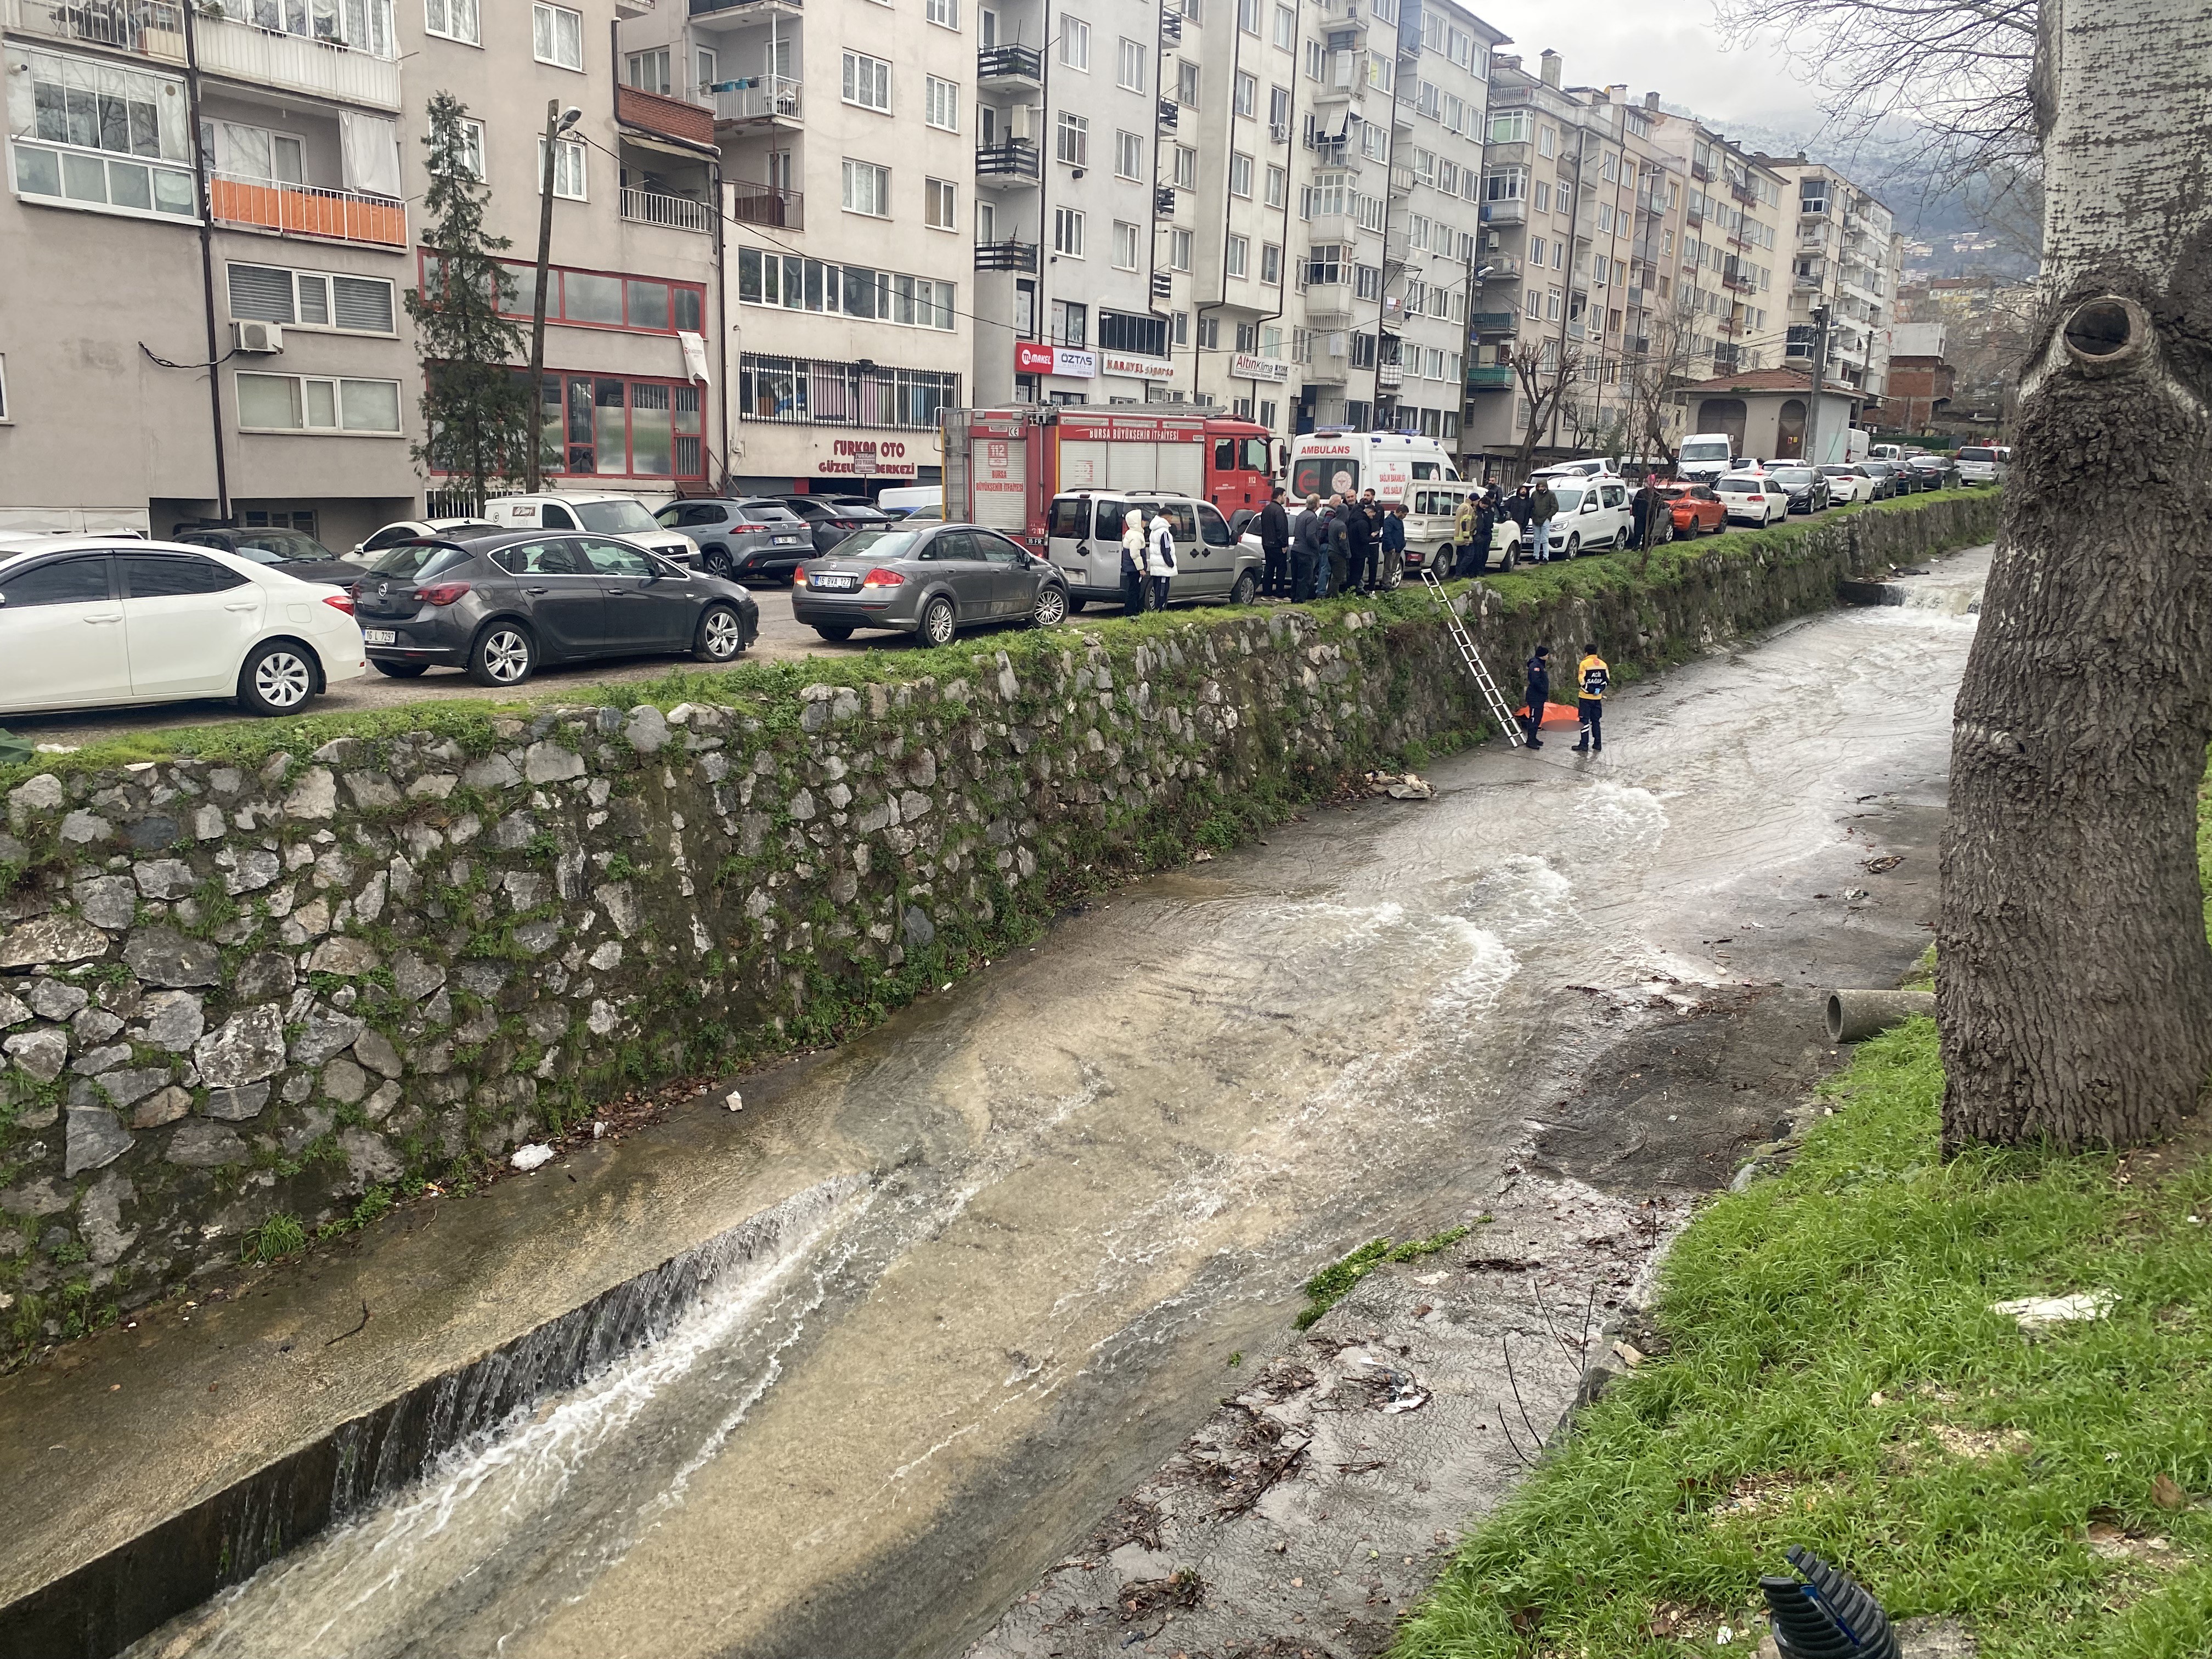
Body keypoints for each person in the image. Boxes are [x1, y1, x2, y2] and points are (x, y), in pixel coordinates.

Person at [1572, 640, 1610, 753]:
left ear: (1586, 653)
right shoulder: (1603, 664)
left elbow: (1581, 681)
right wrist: (1599, 690)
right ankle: (1598, 744)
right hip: (1597, 699)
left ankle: (1584, 745)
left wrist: (1590, 690)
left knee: (1584, 721)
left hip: (1585, 698)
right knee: (1596, 721)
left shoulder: (1584, 664)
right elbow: (1606, 680)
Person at [1257, 487, 1292, 599]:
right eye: (1285, 496)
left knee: (1269, 568)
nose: (1285, 498)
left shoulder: (1266, 509)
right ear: (1280, 496)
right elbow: (1281, 528)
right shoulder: (1279, 511)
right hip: (1277, 545)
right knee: (1281, 569)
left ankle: (1267, 593)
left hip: (1267, 544)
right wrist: (1284, 544)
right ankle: (1280, 594)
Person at [1290, 492, 1326, 601]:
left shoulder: (1301, 515)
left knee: (1296, 578)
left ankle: (1294, 599)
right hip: (1306, 552)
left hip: (1295, 549)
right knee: (1305, 579)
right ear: (1316, 505)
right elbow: (1310, 536)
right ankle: (1300, 602)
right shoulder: (1312, 517)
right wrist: (1317, 547)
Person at [1340, 490, 1373, 592]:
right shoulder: (1343, 510)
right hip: (1349, 546)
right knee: (1351, 571)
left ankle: (1358, 588)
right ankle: (1350, 590)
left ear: (1355, 497)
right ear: (1345, 498)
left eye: (1352, 496)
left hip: (1354, 547)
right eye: (1348, 497)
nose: (1350, 499)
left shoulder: (1359, 508)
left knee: (1357, 572)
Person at [1146, 508, 1178, 612]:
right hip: (1163, 568)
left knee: (1157, 588)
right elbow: (1166, 549)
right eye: (1171, 518)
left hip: (1157, 566)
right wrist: (1170, 563)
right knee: (1163, 590)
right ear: (1166, 518)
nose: (1171, 520)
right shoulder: (1164, 532)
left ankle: (1157, 608)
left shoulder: (1154, 530)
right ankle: (1160, 610)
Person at [1520, 644, 1550, 748]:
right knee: (1534, 718)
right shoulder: (1536, 666)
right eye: (1547, 655)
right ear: (1543, 656)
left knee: (1538, 718)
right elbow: (1535, 681)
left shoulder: (1541, 665)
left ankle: (1534, 738)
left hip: (1540, 697)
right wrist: (1543, 690)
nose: (1548, 656)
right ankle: (1530, 740)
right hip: (1535, 697)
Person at [1121, 507, 1149, 616]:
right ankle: (1130, 612)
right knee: (1134, 590)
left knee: (1133, 589)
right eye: (1143, 520)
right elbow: (1135, 554)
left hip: (1130, 567)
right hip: (1134, 568)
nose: (1145, 522)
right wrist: (1141, 568)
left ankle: (1131, 611)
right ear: (1138, 521)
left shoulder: (1130, 533)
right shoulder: (1137, 536)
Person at [1325, 498, 1353, 598]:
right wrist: (1347, 553)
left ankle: (1328, 595)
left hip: (1330, 551)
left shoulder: (1332, 522)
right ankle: (1335, 596)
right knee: (1338, 577)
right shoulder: (1342, 526)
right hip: (1338, 554)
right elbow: (1343, 542)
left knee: (1333, 575)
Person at [1527, 478, 1558, 562]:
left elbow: (1555, 507)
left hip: (1545, 519)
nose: (1541, 488)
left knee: (1545, 539)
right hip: (1535, 519)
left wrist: (1549, 517)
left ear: (1546, 487)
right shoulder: (1534, 494)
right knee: (1536, 539)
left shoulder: (1551, 495)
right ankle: (1536, 557)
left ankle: (1546, 557)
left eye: (1542, 487)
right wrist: (1532, 516)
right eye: (1539, 487)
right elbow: (1530, 506)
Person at [1378, 503, 1406, 591]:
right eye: (1405, 514)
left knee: (1393, 568)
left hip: (1398, 548)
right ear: (1400, 512)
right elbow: (1387, 535)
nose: (1405, 517)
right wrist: (1391, 547)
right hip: (1390, 549)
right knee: (1388, 568)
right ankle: (1386, 585)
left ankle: (1390, 583)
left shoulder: (1399, 520)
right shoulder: (1389, 521)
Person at [1452, 493, 1481, 577]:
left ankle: (1459, 574)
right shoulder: (1469, 508)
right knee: (1470, 556)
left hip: (1458, 536)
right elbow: (1466, 523)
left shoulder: (1462, 506)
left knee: (1461, 556)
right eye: (1478, 501)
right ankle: (1459, 573)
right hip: (1464, 537)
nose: (1478, 503)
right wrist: (1466, 537)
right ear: (1474, 500)